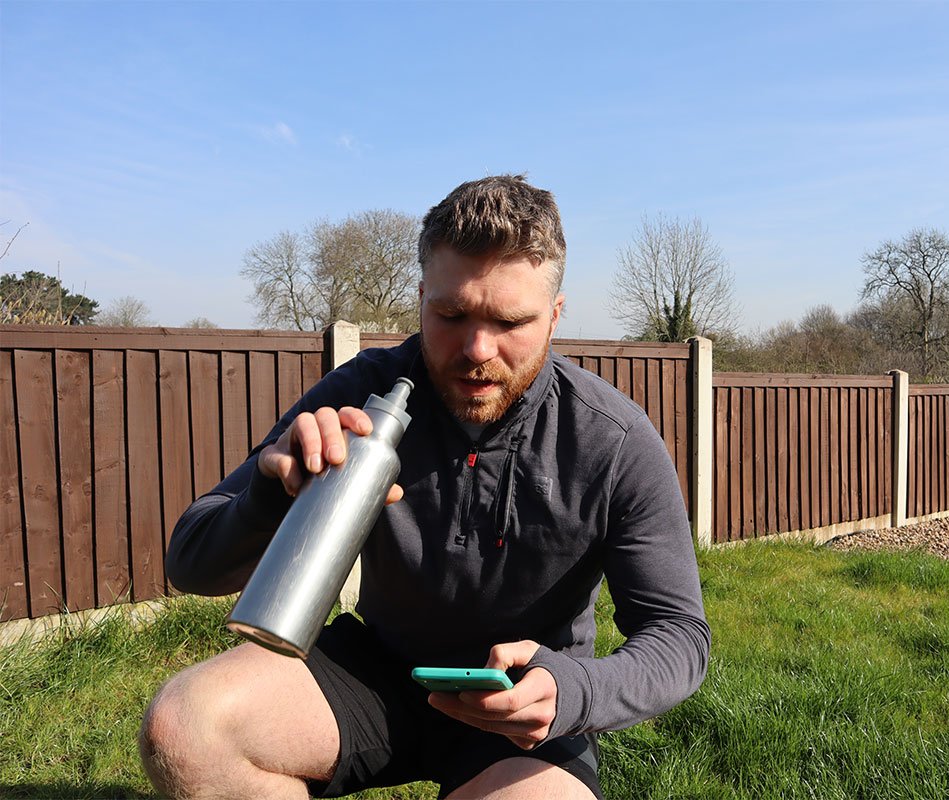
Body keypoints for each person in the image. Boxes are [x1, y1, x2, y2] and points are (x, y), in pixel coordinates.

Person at [139, 175, 711, 799]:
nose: (476, 349)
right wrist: (272, 495)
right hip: (374, 674)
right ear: (419, 297)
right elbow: (190, 563)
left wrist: (575, 692)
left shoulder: (612, 439)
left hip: (523, 702)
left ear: (555, 314)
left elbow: (679, 635)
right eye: (451, 314)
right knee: (187, 727)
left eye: (511, 320)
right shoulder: (364, 393)